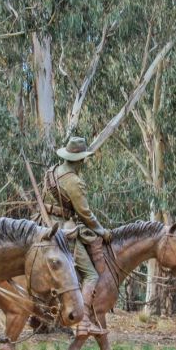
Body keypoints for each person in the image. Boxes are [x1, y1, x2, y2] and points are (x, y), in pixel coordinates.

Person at [42, 136, 110, 337]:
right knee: (91, 275)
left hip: (41, 222)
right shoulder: (73, 181)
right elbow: (85, 214)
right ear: (80, 160)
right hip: (61, 228)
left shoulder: (52, 171)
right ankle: (85, 321)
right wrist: (102, 231)